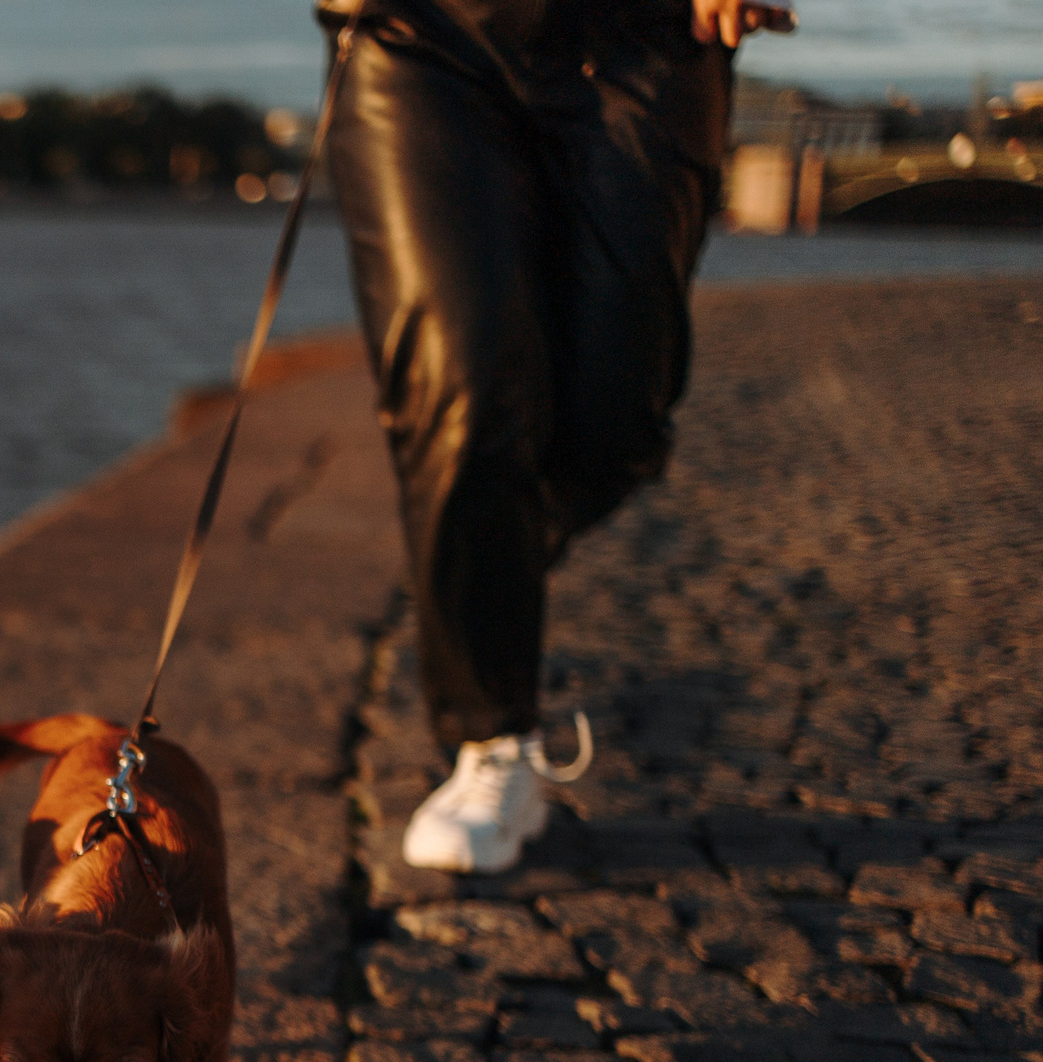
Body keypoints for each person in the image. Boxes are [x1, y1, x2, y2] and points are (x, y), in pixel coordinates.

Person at [319, 0, 794, 872]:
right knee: (462, 395)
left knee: (618, 416)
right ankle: (493, 738)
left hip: (643, 39)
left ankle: (480, 555)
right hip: (423, 34)